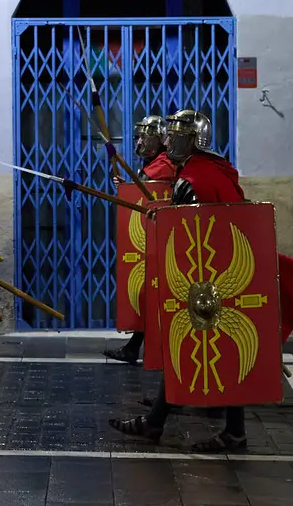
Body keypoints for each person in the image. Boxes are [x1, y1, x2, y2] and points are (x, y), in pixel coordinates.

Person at [108, 109, 249, 453]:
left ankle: (224, 431)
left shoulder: (194, 178)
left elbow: (194, 233)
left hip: (208, 276)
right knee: (196, 350)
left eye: (175, 135)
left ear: (190, 139)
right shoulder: (213, 169)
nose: (168, 141)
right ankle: (162, 423)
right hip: (223, 274)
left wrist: (166, 218)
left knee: (195, 348)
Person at [105, 114, 177, 365]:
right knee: (151, 294)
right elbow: (144, 194)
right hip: (154, 239)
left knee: (159, 296)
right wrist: (128, 187)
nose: (139, 141)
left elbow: (157, 196)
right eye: (138, 136)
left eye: (144, 136)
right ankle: (134, 348)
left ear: (158, 139)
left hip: (169, 242)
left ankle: (154, 352)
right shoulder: (153, 164)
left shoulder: (165, 165)